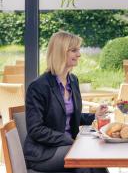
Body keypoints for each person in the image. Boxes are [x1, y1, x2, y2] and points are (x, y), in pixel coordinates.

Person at [24, 31, 109, 173]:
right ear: (60, 52)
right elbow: (35, 130)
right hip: (44, 153)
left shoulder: (73, 81)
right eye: (74, 50)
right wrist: (69, 140)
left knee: (93, 160)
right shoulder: (38, 87)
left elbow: (68, 116)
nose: (79, 54)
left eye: (79, 50)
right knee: (87, 160)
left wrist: (94, 116)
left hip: (69, 147)